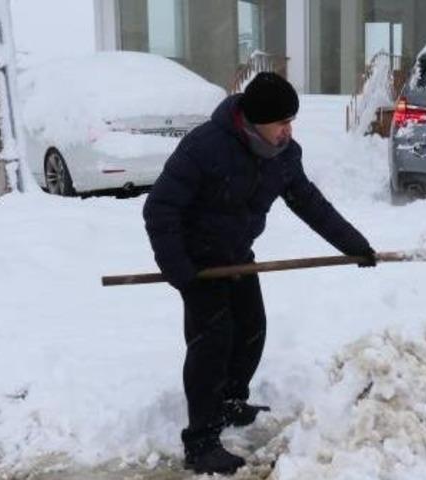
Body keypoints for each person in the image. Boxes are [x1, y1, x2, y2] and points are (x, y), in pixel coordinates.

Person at [142, 72, 377, 475]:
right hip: (199, 263)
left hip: (238, 255)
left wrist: (354, 245)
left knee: (252, 328)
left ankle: (231, 401)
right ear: (255, 121)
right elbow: (159, 209)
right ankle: (201, 442)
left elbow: (309, 203)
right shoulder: (205, 147)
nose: (288, 130)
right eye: (282, 122)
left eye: (291, 122)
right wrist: (181, 272)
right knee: (212, 343)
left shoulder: (283, 155)